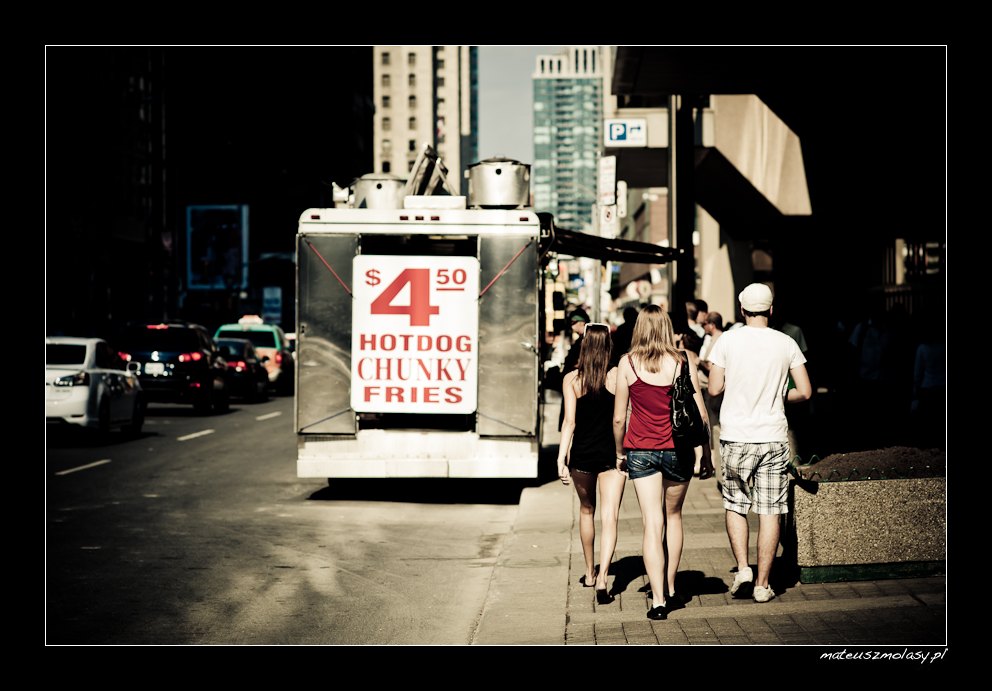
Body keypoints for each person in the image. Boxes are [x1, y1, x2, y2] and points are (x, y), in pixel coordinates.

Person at [706, 283, 811, 604]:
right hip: (773, 436)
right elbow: (805, 391)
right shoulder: (786, 342)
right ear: (771, 309)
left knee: (736, 504)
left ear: (742, 309)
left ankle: (743, 569)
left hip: (736, 435)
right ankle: (764, 584)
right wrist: (779, 394)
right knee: (771, 510)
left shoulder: (726, 340)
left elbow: (713, 389)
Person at [613, 305, 710, 620]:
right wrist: (705, 452)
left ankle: (657, 600)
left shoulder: (627, 363)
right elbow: (700, 411)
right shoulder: (682, 361)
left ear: (638, 328)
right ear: (667, 328)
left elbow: (618, 418)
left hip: (641, 450)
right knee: (674, 517)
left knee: (651, 523)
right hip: (677, 450)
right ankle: (670, 587)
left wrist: (619, 452)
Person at [556, 323, 627, 604]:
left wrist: (561, 458)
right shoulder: (617, 376)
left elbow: (569, 422)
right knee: (610, 517)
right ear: (608, 347)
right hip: (611, 455)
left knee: (587, 512)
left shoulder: (572, 380)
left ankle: (588, 572)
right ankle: (604, 577)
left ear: (584, 347)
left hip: (582, 456)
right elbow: (621, 417)